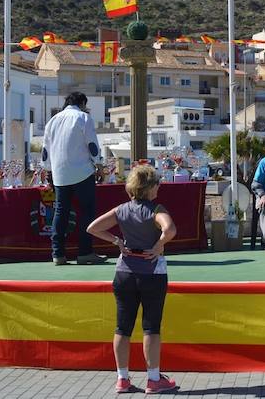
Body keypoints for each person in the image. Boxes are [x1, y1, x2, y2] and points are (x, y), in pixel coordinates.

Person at [86, 165, 179, 395]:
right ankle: (154, 379)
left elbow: (92, 228)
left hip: (124, 272)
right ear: (149, 188)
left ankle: (122, 379)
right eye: (157, 183)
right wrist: (159, 245)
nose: (159, 186)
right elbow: (170, 229)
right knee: (151, 328)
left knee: (122, 327)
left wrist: (116, 241)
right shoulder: (156, 208)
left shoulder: (122, 210)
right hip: (152, 274)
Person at [41, 92, 106, 266]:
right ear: (82, 103)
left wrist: (48, 170)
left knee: (60, 212)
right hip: (82, 172)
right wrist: (99, 165)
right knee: (87, 212)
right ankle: (85, 252)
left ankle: (58, 254)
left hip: (60, 174)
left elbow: (45, 151)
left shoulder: (52, 121)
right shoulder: (84, 117)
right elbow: (92, 145)